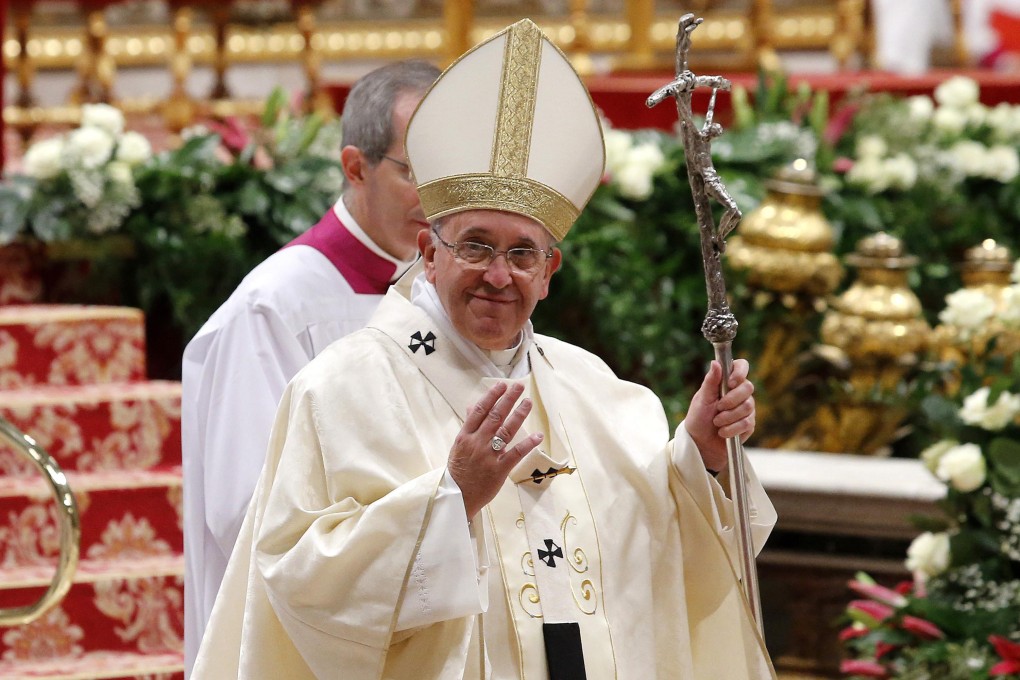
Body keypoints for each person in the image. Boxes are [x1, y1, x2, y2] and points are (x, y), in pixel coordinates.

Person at [193, 19, 776, 680]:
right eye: (475, 245)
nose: (499, 275)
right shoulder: (338, 391)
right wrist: (450, 501)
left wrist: (701, 457)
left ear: (549, 272)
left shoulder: (601, 394)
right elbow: (295, 583)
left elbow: (674, 566)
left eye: (521, 253)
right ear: (428, 255)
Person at [180, 59, 440, 676]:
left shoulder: (446, 294)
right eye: (418, 171)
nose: (441, 197)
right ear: (356, 167)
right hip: (302, 642)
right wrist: (414, 533)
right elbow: (246, 511)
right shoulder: (274, 307)